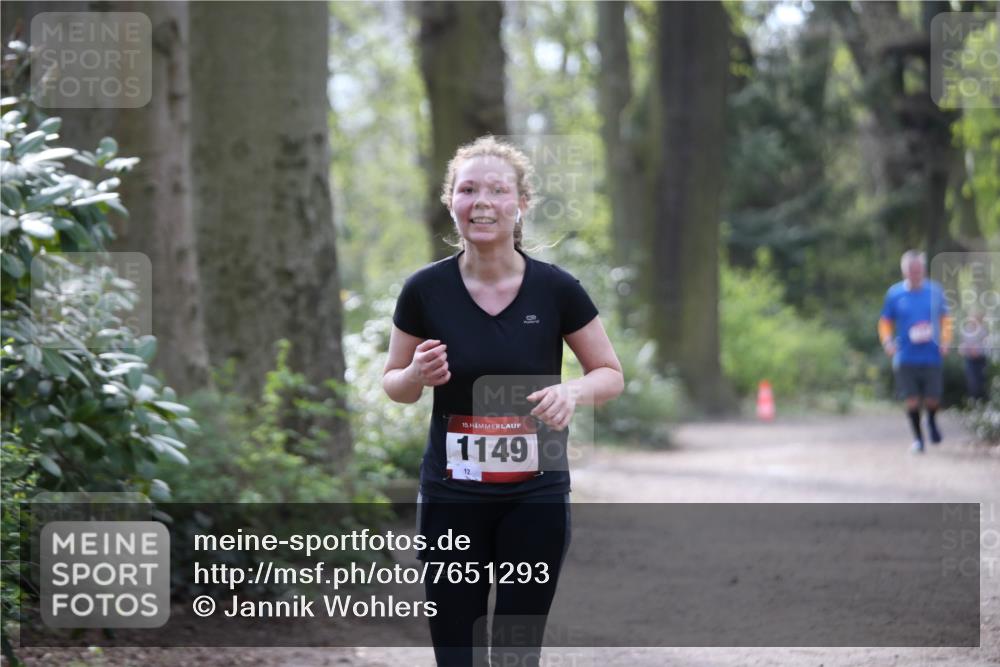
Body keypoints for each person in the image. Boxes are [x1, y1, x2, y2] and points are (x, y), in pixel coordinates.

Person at [382, 135, 624, 666]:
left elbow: (609, 373)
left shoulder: (557, 290)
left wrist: (571, 390)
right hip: (451, 496)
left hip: (535, 497)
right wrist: (417, 374)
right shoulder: (424, 290)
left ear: (521, 204)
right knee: (456, 652)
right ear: (452, 201)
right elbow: (393, 385)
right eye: (468, 189)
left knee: (517, 653)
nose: (483, 201)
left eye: (498, 189)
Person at [878, 250, 953, 454]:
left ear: (924, 269)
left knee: (932, 399)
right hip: (905, 355)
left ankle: (931, 420)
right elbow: (885, 322)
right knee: (911, 399)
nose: (915, 273)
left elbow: (946, 320)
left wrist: (946, 341)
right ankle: (918, 440)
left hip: (931, 354)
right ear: (904, 271)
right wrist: (887, 342)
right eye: (911, 270)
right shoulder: (895, 294)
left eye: (918, 269)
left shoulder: (935, 291)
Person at [958, 310, 989, 401]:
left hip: (981, 360)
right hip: (970, 360)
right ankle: (974, 401)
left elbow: (986, 345)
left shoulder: (983, 330)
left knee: (981, 381)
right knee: (972, 381)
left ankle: (981, 402)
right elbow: (963, 345)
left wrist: (978, 350)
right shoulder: (966, 330)